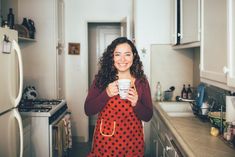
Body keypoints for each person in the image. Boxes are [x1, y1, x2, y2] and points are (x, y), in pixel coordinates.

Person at [84, 37, 153, 157]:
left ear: (134, 56)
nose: (122, 59)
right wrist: (106, 94)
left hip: (133, 141)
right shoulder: (101, 79)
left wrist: (136, 103)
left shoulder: (141, 82)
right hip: (106, 142)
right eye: (117, 54)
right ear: (112, 57)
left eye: (127, 54)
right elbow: (88, 110)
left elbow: (148, 116)